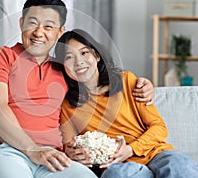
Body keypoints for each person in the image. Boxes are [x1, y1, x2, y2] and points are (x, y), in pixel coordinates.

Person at [0, 0, 154, 178]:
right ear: (21, 24)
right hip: (4, 151)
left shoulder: (64, 69)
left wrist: (141, 85)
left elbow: (97, 86)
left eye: (48, 26)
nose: (39, 32)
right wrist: (33, 150)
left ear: (59, 32)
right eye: (32, 23)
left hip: (54, 157)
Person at [53, 29, 198, 178]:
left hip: (155, 153)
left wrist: (130, 149)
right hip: (119, 165)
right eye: (69, 57)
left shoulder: (127, 81)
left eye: (84, 53)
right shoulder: (68, 105)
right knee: (118, 174)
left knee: (180, 165)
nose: (79, 62)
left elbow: (159, 127)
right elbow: (70, 146)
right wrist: (72, 154)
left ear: (96, 56)